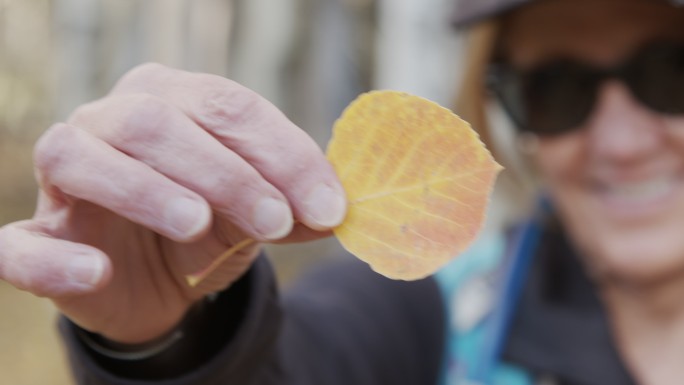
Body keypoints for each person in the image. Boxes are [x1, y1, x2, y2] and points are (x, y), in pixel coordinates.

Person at [1, 0, 684, 383]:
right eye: (556, 89)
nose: (621, 141)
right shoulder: (440, 317)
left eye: (670, 72)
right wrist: (172, 340)